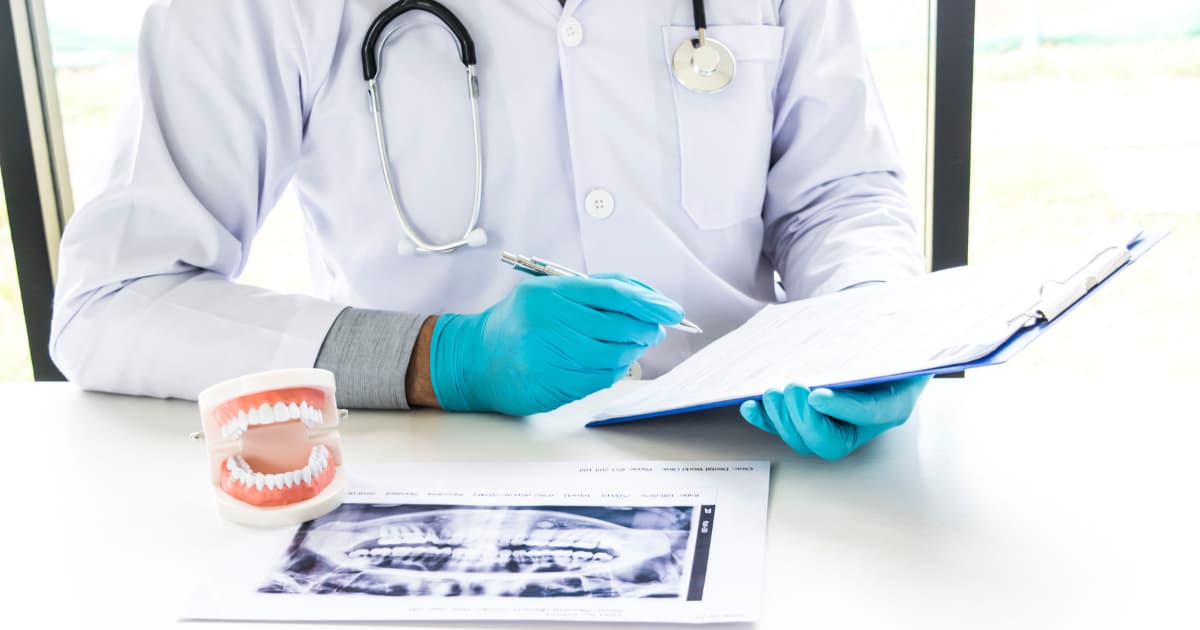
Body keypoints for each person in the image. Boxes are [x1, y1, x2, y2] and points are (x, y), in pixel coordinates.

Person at [50, 0, 928, 460]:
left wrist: (866, 322)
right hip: (427, 490)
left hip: (760, 455)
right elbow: (113, 299)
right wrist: (443, 360)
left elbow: (842, 194)